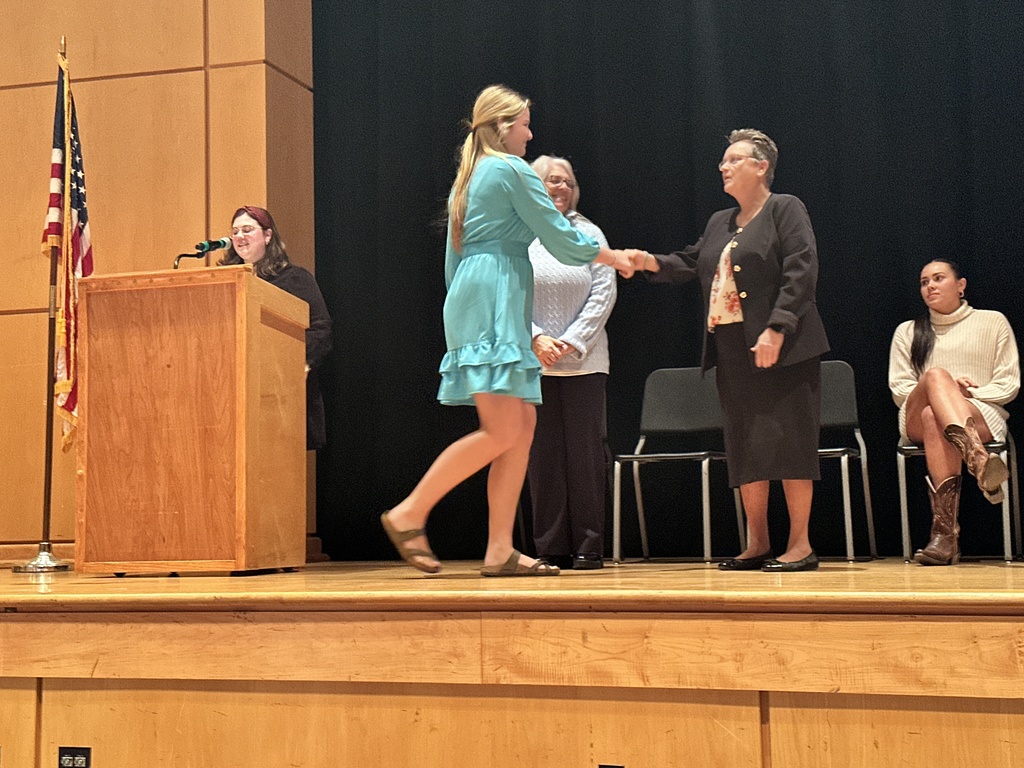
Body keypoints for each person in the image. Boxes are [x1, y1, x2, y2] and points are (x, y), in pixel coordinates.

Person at [380, 85, 637, 577]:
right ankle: (410, 511)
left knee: (521, 427)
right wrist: (614, 256)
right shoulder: (509, 169)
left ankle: (500, 549)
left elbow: (454, 259)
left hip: (484, 296)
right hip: (495, 297)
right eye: (524, 125)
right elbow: (558, 235)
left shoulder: (470, 176)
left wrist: (464, 311)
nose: (530, 134)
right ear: (502, 127)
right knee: (502, 429)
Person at [632, 129, 829, 572]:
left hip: (784, 346)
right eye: (723, 161)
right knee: (746, 446)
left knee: (791, 442)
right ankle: (757, 542)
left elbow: (801, 268)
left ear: (761, 166)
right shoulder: (720, 221)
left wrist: (778, 327)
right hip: (732, 348)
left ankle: (800, 544)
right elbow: (691, 261)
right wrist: (645, 261)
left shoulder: (785, 208)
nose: (723, 166)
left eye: (734, 159)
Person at [889, 259, 1019, 565]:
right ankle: (979, 461)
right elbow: (900, 389)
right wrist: (942, 386)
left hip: (980, 412)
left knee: (934, 417)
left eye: (938, 278)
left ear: (961, 286)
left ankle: (945, 537)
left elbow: (1009, 383)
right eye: (924, 282)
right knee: (935, 377)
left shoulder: (993, 322)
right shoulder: (908, 331)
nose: (930, 286)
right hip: (914, 414)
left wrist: (966, 393)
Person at [527, 156, 617, 571]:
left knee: (586, 454)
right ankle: (550, 546)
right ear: (534, 186)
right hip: (535, 361)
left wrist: (572, 340)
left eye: (567, 181)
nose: (560, 187)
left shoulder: (589, 233)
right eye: (551, 180)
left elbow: (604, 291)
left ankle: (588, 546)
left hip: (585, 360)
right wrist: (535, 338)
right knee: (542, 456)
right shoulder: (520, 233)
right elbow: (508, 290)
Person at [219, 206, 333, 450]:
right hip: (232, 393)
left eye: (247, 230)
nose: (239, 237)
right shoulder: (225, 281)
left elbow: (321, 329)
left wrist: (300, 363)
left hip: (281, 392)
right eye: (235, 232)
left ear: (268, 235)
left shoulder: (294, 278)